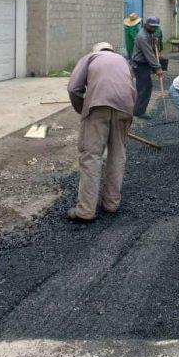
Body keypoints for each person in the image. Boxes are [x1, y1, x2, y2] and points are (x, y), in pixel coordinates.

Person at [66, 42, 137, 222]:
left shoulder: (90, 58)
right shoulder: (122, 60)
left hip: (98, 106)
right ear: (111, 50)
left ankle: (86, 210)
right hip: (125, 107)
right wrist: (127, 115)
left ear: (96, 50)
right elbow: (132, 89)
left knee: (91, 156)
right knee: (118, 154)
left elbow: (74, 88)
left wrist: (83, 109)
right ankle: (111, 203)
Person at [132, 18, 162, 119]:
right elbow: (149, 54)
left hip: (144, 64)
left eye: (155, 27)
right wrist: (157, 68)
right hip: (140, 65)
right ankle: (138, 111)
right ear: (146, 25)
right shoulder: (143, 36)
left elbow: (150, 47)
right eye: (151, 26)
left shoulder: (148, 33)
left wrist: (153, 41)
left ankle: (137, 109)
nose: (153, 28)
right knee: (144, 88)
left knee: (144, 87)